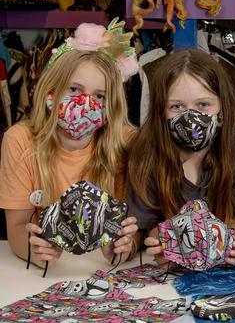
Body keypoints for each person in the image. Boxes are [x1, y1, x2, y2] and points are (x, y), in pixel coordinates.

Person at [0, 20, 139, 267]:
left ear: (113, 105)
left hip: (102, 271)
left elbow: (136, 227)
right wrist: (36, 250)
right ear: (50, 91)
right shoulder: (20, 140)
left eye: (100, 96)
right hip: (48, 274)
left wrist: (125, 246)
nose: (87, 103)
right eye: (74, 89)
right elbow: (17, 229)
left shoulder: (124, 143)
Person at [127, 49, 235, 266]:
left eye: (203, 105)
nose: (190, 118)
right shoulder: (147, 153)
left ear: (223, 107)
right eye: (177, 106)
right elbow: (144, 228)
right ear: (161, 110)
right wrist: (159, 241)